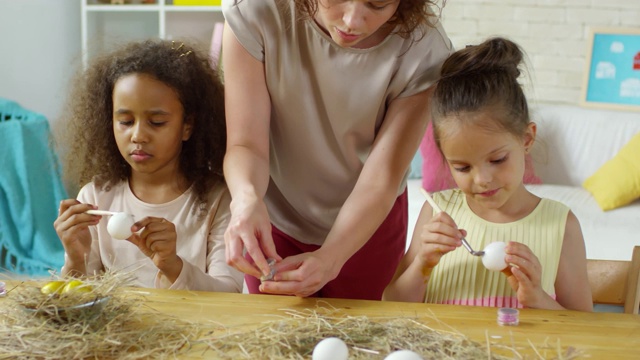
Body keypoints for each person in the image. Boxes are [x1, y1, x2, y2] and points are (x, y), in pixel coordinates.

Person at [221, 0, 453, 299]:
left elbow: (380, 179)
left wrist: (332, 257)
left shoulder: (424, 46)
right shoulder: (255, 10)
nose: (352, 21)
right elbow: (245, 143)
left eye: (379, 4)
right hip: (273, 219)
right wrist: (245, 199)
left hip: (368, 226)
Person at [383, 37, 593, 311]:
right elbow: (392, 304)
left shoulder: (560, 225)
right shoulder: (437, 211)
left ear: (526, 139)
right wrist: (423, 263)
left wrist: (538, 300)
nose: (482, 179)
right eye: (462, 167)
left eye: (497, 159)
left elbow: (584, 326)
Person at [53, 39, 243, 292]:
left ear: (187, 125)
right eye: (126, 121)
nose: (138, 136)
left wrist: (172, 265)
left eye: (156, 122)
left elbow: (229, 294)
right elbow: (81, 303)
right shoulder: (96, 198)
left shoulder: (219, 199)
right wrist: (77, 257)